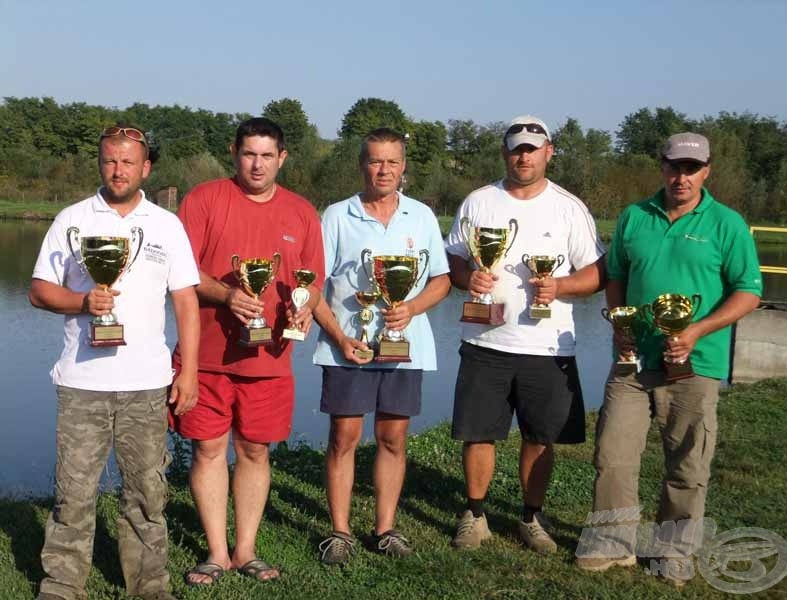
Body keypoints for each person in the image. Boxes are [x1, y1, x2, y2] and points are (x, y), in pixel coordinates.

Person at [575, 133, 762, 586]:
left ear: (706, 171)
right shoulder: (635, 216)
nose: (681, 176)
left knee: (687, 461)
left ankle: (673, 550)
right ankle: (612, 543)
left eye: (691, 168)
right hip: (633, 360)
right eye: (674, 166)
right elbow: (616, 276)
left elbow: (749, 291)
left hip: (696, 362)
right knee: (612, 453)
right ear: (661, 167)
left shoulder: (726, 223)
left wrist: (695, 330)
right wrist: (620, 325)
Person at [29, 124, 201, 600]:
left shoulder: (167, 226)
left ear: (146, 167)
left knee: (147, 494)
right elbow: (40, 291)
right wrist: (83, 303)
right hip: (82, 382)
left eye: (128, 162)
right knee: (74, 493)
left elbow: (186, 302)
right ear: (100, 164)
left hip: (147, 383)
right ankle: (63, 584)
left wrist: (188, 371)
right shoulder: (71, 219)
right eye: (109, 160)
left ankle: (149, 585)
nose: (118, 170)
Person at [170, 117, 325, 586]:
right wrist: (226, 295)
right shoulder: (204, 199)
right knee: (209, 449)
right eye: (248, 154)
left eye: (266, 156)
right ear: (234, 154)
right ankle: (216, 552)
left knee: (256, 451)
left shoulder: (301, 212)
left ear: (282, 158)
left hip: (269, 359)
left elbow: (312, 281)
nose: (256, 165)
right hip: (207, 356)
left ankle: (247, 549)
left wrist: (305, 308)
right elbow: (181, 273)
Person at [445, 115, 606, 553]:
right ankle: (475, 514)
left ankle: (531, 518)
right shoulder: (479, 201)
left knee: (540, 437)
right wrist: (468, 277)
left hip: (548, 344)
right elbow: (453, 260)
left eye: (532, 149)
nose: (524, 156)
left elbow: (597, 273)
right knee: (479, 433)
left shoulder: (569, 207)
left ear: (548, 153)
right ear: (505, 152)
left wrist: (561, 286)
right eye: (517, 148)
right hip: (485, 340)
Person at [311, 128, 450, 565]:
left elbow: (442, 280)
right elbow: (313, 287)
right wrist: (339, 336)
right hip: (347, 345)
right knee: (344, 436)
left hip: (403, 345)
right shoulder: (336, 215)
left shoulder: (422, 216)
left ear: (403, 166)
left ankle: (385, 528)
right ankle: (340, 532)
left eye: (392, 161)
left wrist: (410, 308)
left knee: (392, 437)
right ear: (362, 164)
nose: (383, 169)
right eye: (375, 160)